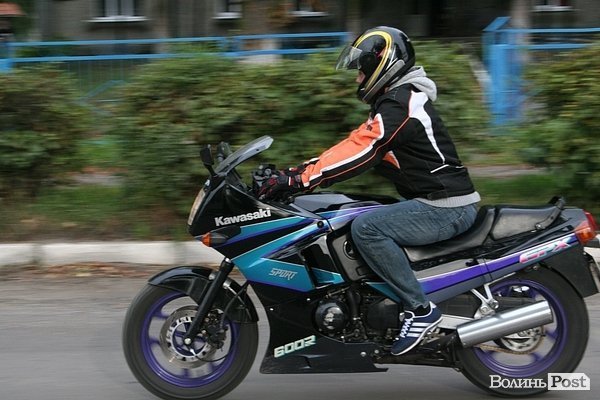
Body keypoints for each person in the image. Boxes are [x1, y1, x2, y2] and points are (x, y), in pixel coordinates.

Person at [258, 26, 480, 356]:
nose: (358, 78)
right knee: (351, 211)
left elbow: (365, 149)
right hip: (434, 201)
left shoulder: (402, 103)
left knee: (368, 228)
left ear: (384, 65)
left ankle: (420, 310)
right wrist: (294, 174)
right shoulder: (395, 102)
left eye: (362, 70)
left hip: (447, 206)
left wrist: (299, 181)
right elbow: (353, 144)